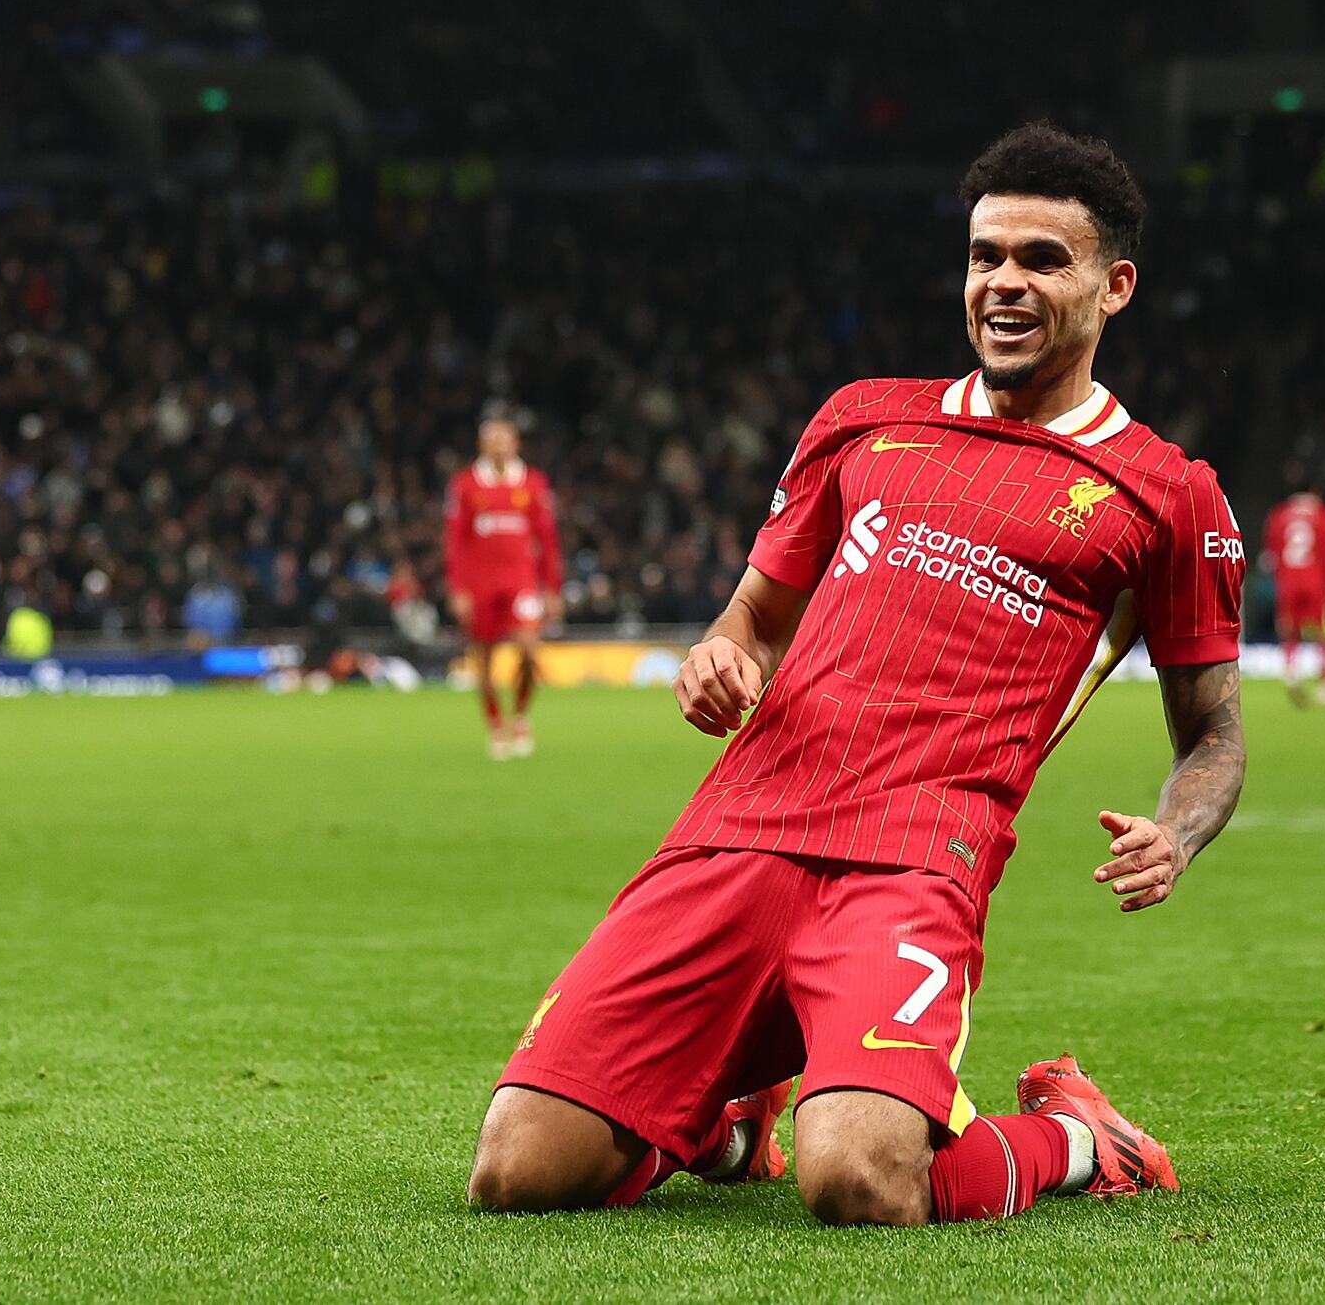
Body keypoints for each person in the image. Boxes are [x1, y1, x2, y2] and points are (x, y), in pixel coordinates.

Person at [468, 124, 1247, 1226]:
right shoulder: (862, 417)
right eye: (985, 256)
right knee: (515, 1171)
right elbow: (749, 618)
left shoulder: (1165, 493)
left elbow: (1212, 729)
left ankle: (1080, 1134)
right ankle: (726, 1122)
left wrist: (1177, 828)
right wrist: (716, 655)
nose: (1003, 283)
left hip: (914, 853)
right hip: (737, 823)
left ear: (1114, 285)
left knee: (858, 1178)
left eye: (1040, 257)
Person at [444, 415, 564, 759]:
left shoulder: (534, 484)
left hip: (521, 582)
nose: (499, 444)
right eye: (492, 438)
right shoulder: (465, 485)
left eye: (505, 438)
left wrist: (552, 587)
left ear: (516, 444)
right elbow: (455, 541)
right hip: (480, 584)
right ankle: (496, 726)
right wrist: (458, 588)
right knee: (483, 660)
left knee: (529, 651)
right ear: (482, 445)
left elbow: (548, 540)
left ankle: (521, 716)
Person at [1263, 484, 1325, 706]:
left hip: (1288, 580)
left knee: (1289, 629)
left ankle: (1291, 673)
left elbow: (1272, 554)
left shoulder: (1279, 515)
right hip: (1316, 580)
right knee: (1323, 630)